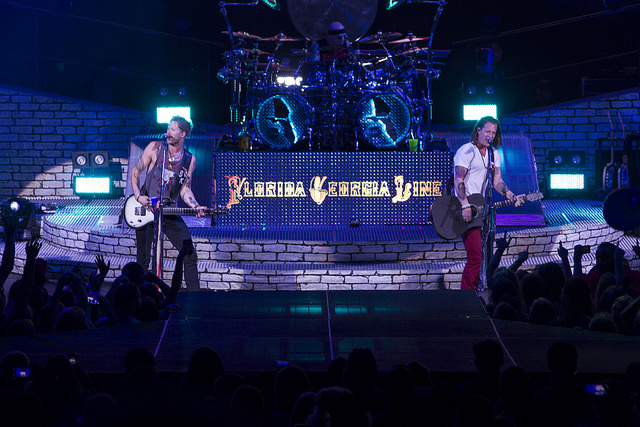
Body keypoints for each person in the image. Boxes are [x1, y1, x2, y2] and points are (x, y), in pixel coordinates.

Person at [130, 116, 204, 291]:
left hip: (169, 212)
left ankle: (196, 297)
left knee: (189, 253)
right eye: (168, 128)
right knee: (143, 260)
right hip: (147, 210)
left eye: (172, 129)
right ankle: (139, 297)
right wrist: (138, 196)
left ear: (183, 134)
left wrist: (195, 206)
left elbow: (185, 189)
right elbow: (135, 173)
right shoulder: (155, 148)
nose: (168, 132)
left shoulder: (189, 160)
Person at [453, 116, 524, 290]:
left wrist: (511, 195)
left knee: (482, 255)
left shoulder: (494, 154)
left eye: (493, 132)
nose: (490, 135)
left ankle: (477, 291)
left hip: (481, 208)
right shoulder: (467, 151)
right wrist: (464, 205)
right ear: (478, 130)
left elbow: (497, 181)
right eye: (487, 131)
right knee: (475, 256)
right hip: (465, 206)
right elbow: (458, 179)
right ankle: (467, 293)